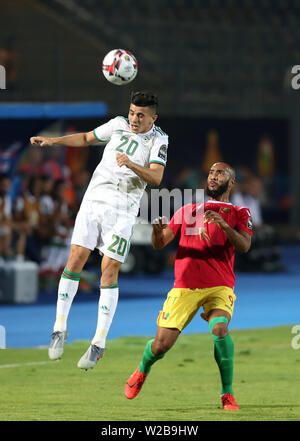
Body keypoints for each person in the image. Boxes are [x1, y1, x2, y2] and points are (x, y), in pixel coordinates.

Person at [30, 91, 168, 369]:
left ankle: (99, 343)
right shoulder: (117, 124)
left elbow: (156, 176)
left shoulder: (159, 139)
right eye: (131, 112)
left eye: (140, 115)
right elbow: (85, 138)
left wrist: (131, 164)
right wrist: (53, 141)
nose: (134, 119)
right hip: (94, 201)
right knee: (75, 260)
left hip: (123, 209)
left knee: (109, 271)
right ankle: (59, 328)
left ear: (153, 117)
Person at [124, 162, 252, 411]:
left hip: (219, 287)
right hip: (185, 286)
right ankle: (142, 370)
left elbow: (245, 246)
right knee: (161, 345)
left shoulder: (240, 213)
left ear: (232, 182)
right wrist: (156, 231)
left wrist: (224, 225)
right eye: (211, 173)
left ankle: (227, 394)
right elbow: (160, 244)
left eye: (220, 173)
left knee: (220, 329)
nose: (213, 177)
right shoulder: (187, 210)